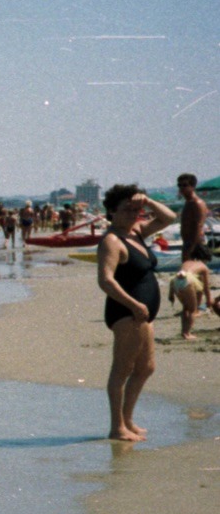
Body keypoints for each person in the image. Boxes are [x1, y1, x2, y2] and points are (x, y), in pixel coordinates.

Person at [97, 183, 178, 442]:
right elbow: (106, 280)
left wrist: (149, 202)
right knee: (122, 369)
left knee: (146, 367)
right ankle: (116, 427)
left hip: (141, 313)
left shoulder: (137, 232)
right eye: (127, 210)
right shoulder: (112, 241)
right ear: (111, 211)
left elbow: (169, 217)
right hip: (126, 312)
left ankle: (127, 419)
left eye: (137, 210)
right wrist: (133, 304)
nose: (134, 214)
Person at [168, 259, 215, 341]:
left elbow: (178, 275)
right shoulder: (203, 267)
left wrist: (171, 294)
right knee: (193, 310)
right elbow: (206, 287)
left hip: (175, 280)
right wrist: (208, 300)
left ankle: (184, 332)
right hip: (188, 280)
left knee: (185, 308)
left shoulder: (186, 263)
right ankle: (187, 333)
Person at [177, 173, 211, 264]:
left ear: (193, 186)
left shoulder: (197, 203)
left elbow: (198, 225)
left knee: (192, 272)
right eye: (179, 185)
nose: (181, 188)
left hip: (195, 243)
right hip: (188, 242)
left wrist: (190, 248)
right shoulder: (188, 202)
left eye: (184, 185)